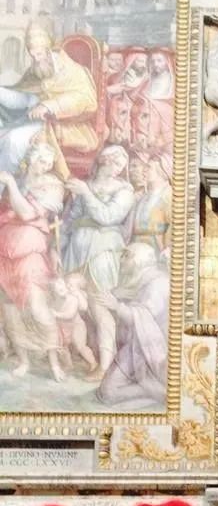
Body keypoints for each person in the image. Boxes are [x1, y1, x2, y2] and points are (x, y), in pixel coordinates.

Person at [62, 145, 136, 380]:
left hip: (102, 253)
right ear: (104, 160)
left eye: (121, 165)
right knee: (72, 302)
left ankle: (105, 365)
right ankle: (77, 355)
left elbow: (108, 217)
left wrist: (85, 193)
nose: (118, 168)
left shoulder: (124, 190)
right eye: (115, 162)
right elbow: (70, 220)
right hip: (76, 252)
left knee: (99, 307)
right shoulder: (87, 184)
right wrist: (58, 246)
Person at [0, 141, 65, 380]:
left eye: (48, 163)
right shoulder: (16, 179)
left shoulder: (52, 185)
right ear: (30, 159)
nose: (45, 166)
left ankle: (54, 362)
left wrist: (10, 185)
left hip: (29, 251)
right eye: (41, 161)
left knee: (38, 309)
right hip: (4, 251)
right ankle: (24, 360)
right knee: (11, 310)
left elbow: (27, 213)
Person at [0, 21, 98, 177]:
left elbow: (84, 98)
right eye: (32, 56)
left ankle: (4, 182)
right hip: (34, 121)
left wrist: (49, 106)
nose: (36, 59)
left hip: (64, 125)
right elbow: (23, 96)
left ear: (48, 50)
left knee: (14, 140)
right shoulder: (35, 70)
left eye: (39, 54)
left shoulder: (72, 70)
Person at [96, 242, 169, 408]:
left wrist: (116, 306)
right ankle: (153, 390)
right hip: (136, 345)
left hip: (151, 350)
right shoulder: (142, 279)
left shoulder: (157, 284)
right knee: (105, 393)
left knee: (108, 393)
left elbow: (145, 319)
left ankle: (158, 392)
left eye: (126, 256)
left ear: (137, 261)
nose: (121, 260)